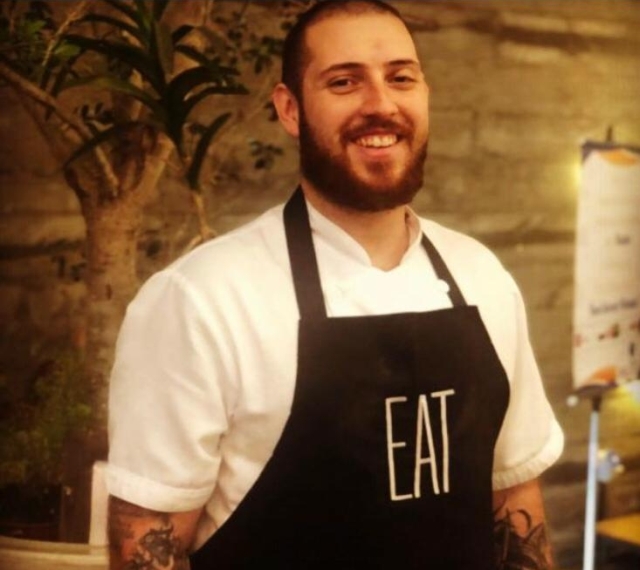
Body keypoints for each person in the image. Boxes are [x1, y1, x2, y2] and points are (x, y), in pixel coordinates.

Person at [106, 1, 564, 568]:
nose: (382, 104)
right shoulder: (200, 299)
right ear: (290, 108)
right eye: (344, 82)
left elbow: (514, 497)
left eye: (401, 78)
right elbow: (146, 541)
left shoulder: (482, 276)